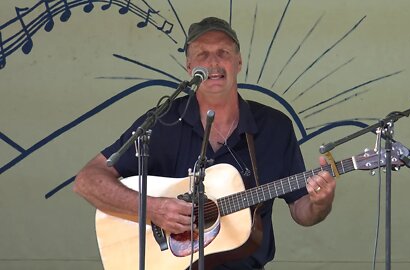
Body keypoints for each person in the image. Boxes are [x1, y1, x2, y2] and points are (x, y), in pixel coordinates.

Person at [73, 17, 336, 270]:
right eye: (203, 54)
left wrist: (319, 202)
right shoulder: (163, 122)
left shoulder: (274, 127)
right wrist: (155, 209)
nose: (213, 63)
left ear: (238, 62)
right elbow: (87, 180)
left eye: (223, 52)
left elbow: (302, 210)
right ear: (189, 68)